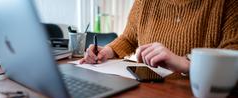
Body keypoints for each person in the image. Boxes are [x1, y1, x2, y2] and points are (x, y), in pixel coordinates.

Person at [80, 0, 238, 74]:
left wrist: (185, 63)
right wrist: (107, 51)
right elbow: (128, 38)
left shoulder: (227, 3)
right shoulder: (144, 2)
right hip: (150, 93)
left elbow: (233, 56)